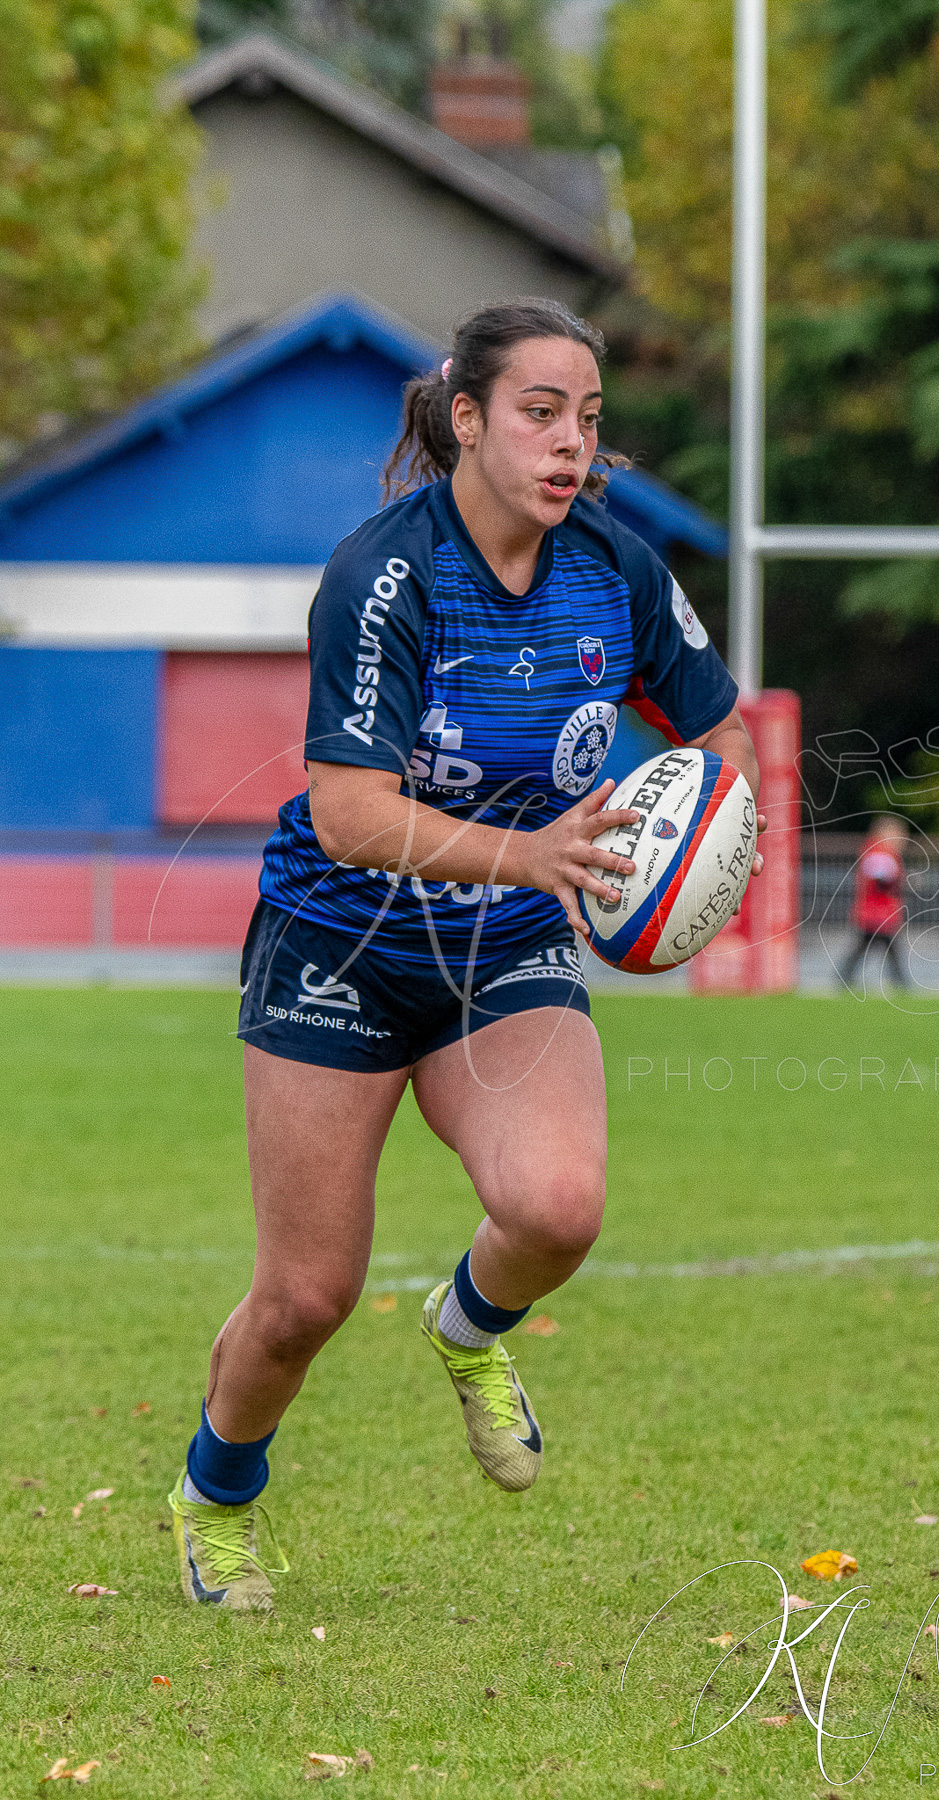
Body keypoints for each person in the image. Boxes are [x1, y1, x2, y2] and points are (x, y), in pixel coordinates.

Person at [167, 298, 764, 1611]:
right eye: (543, 414)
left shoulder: (619, 569)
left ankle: (468, 1327)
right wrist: (537, 854)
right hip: (343, 941)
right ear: (471, 419)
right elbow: (350, 812)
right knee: (307, 1296)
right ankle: (216, 1497)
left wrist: (708, 842)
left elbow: (722, 738)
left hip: (504, 948)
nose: (572, 445)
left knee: (558, 1207)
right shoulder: (385, 574)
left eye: (591, 420)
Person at [839, 815, 909, 990]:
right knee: (881, 947)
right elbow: (881, 876)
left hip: (878, 912)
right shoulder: (879, 852)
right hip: (877, 913)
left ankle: (845, 977)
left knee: (869, 947)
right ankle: (900, 982)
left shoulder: (878, 851)